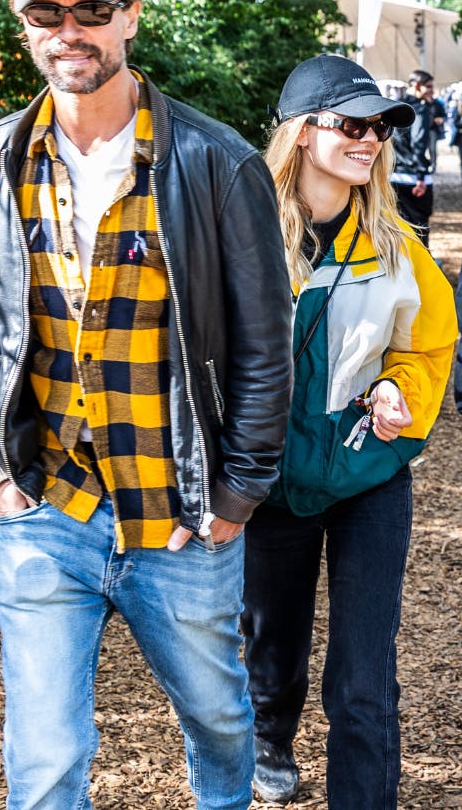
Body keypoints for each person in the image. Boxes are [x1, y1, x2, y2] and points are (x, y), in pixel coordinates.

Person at [0, 0, 293, 808]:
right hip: (45, 510)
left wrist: (236, 497)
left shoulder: (218, 162)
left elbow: (263, 344)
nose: (69, 31)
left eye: (90, 9)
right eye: (45, 13)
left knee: (221, 724)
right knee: (46, 762)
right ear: (24, 27)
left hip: (178, 515)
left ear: (129, 15)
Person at [241, 55, 456, 807]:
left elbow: (426, 346)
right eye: (351, 125)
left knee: (363, 676)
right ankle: (269, 733)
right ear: (302, 133)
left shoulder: (399, 250)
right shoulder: (243, 238)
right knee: (274, 646)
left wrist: (399, 387)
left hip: (366, 478)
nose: (369, 141)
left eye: (379, 128)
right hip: (269, 480)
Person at [392, 69, 445, 244]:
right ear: (416, 85)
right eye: (428, 86)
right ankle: (421, 269)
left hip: (394, 177)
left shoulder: (395, 106)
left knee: (399, 229)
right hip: (415, 178)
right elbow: (418, 144)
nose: (431, 90)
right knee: (420, 231)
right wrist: (421, 176)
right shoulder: (419, 110)